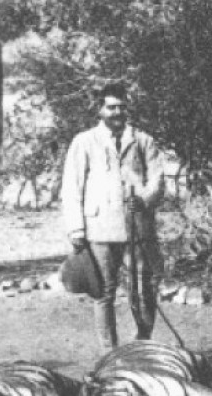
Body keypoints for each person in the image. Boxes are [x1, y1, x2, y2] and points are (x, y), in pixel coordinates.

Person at [61, 82, 165, 351]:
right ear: (99, 110)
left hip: (137, 228)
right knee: (103, 293)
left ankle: (143, 344)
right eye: (111, 107)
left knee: (144, 289)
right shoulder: (84, 142)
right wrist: (76, 230)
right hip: (99, 229)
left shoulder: (143, 141)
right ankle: (110, 353)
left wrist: (143, 199)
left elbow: (157, 180)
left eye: (121, 106)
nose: (117, 112)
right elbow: (72, 187)